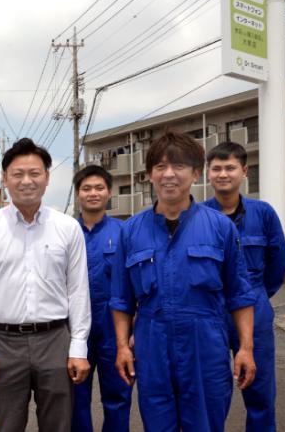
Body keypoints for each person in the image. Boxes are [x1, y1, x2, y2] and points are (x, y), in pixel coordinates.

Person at [110, 131, 257, 431]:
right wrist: (123, 347)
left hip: (206, 345)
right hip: (152, 345)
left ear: (196, 173)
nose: (169, 174)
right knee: (158, 424)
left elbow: (240, 294)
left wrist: (245, 348)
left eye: (178, 166)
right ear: (149, 175)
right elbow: (121, 299)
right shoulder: (131, 231)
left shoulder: (221, 228)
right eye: (160, 167)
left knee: (205, 423)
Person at [0, 137, 91, 432]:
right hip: (3, 342)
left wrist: (79, 347)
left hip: (55, 340)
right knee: (6, 425)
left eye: (34, 173)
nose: (26, 181)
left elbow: (78, 291)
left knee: (59, 424)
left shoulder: (67, 227)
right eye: (18, 174)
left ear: (47, 178)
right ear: (5, 180)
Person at [203, 141, 285, 432]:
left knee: (260, 392)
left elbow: (277, 265)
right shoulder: (199, 216)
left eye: (230, 167)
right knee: (211, 393)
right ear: (208, 173)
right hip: (210, 312)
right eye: (216, 168)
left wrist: (256, 296)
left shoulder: (263, 213)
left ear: (244, 171)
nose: (223, 174)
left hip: (255, 308)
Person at [71, 165, 132, 432]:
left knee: (118, 395)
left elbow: (136, 284)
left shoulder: (125, 232)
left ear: (109, 192)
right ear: (77, 194)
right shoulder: (65, 231)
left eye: (99, 188)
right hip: (73, 328)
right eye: (86, 188)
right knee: (75, 397)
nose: (93, 193)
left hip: (114, 327)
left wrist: (133, 330)